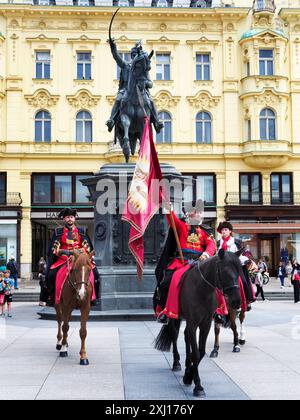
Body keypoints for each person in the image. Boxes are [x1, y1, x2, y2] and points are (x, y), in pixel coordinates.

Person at [155, 200, 217, 324]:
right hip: (181, 262)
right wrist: (169, 208)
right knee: (168, 281)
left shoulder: (205, 230)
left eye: (200, 212)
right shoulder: (181, 226)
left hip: (200, 262)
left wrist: (206, 254)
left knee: (216, 282)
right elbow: (172, 219)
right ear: (189, 214)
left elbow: (211, 245)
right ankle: (167, 311)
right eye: (197, 212)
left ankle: (218, 311)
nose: (200, 214)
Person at [43, 208, 100, 306]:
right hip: (63, 259)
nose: (70, 219)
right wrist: (65, 252)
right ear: (64, 219)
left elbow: (87, 248)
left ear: (74, 219)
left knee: (95, 274)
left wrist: (76, 252)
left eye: (72, 217)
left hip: (80, 258)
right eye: (68, 217)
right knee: (51, 274)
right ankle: (52, 297)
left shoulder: (81, 231)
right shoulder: (58, 232)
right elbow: (54, 250)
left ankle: (93, 298)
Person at [106, 38, 163, 133]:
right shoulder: (125, 66)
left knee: (151, 101)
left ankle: (157, 122)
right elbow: (116, 57)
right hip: (126, 90)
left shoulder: (143, 68)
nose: (134, 56)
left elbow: (150, 83)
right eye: (132, 55)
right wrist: (113, 46)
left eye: (135, 54)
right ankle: (111, 120)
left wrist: (145, 84)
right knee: (118, 99)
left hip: (141, 92)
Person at [217, 221, 256, 311]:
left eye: (226, 230)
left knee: (243, 281)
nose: (224, 231)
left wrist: (246, 260)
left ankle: (247, 300)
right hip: (222, 267)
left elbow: (241, 254)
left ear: (230, 231)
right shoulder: (218, 242)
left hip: (234, 266)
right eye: (222, 230)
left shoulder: (236, 242)